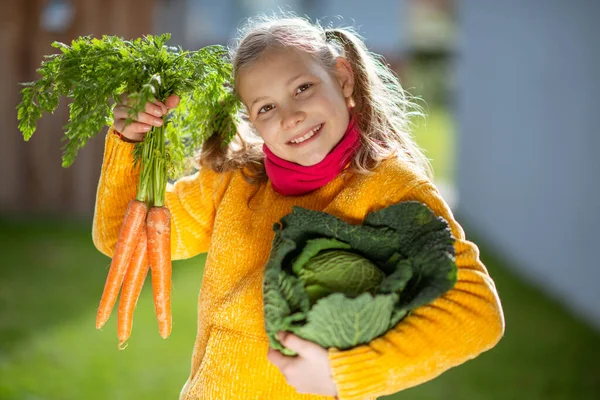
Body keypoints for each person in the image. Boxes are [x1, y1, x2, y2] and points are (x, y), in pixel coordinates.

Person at [92, 14, 505, 400]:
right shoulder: (237, 179)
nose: (291, 116)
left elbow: (478, 313)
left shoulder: (389, 186)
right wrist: (127, 142)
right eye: (266, 107)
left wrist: (345, 373)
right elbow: (122, 240)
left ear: (343, 78)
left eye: (302, 88)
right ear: (252, 120)